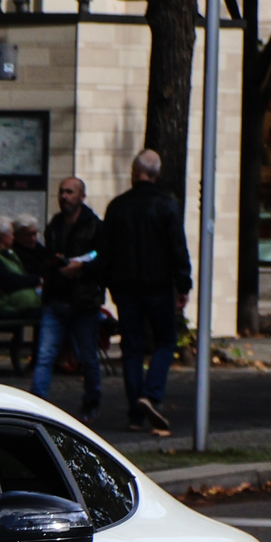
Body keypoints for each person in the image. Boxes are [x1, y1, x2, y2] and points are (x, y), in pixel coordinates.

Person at [99, 148, 195, 435]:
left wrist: (109, 284)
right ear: (157, 174)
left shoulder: (117, 206)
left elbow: (106, 251)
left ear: (134, 172)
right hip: (158, 285)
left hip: (126, 287)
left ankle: (134, 413)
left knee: (132, 347)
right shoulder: (167, 205)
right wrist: (183, 283)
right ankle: (151, 395)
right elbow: (178, 246)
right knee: (165, 341)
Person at [27, 176, 104, 419]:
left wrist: (80, 268)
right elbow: (47, 256)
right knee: (45, 355)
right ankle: (36, 402)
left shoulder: (94, 226)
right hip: (57, 299)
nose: (64, 196)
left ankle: (92, 400)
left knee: (88, 356)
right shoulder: (55, 225)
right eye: (62, 192)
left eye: (70, 192)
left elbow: (103, 260)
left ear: (82, 196)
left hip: (83, 301)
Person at [0, 217, 40, 318]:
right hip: (6, 306)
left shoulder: (8, 254)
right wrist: (35, 280)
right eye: (11, 234)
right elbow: (7, 280)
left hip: (18, 303)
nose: (13, 238)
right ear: (3, 237)